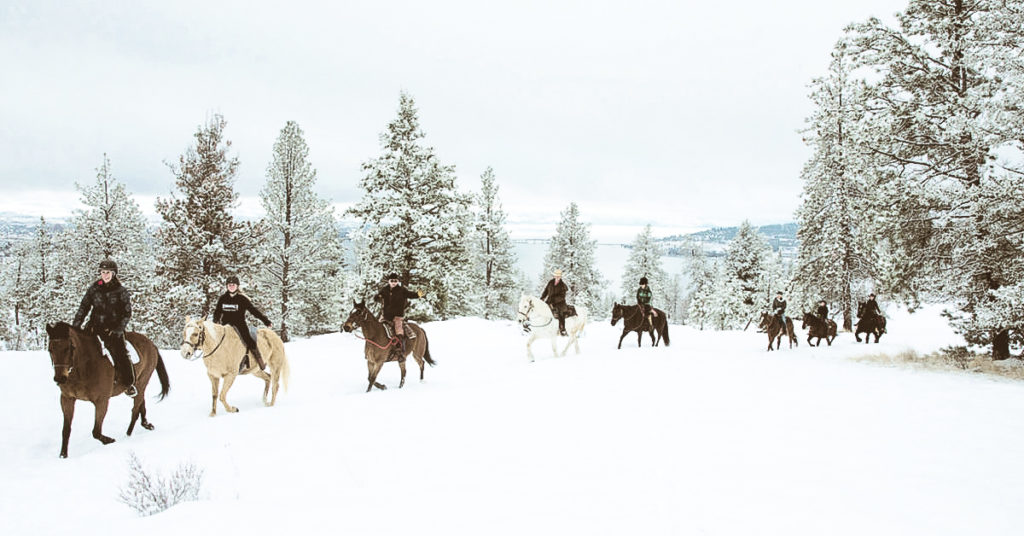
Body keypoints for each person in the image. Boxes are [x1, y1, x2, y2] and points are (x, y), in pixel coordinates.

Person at [72, 259, 136, 397]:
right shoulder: (94, 288)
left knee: (120, 352)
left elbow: (127, 313)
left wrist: (119, 330)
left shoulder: (121, 291)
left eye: (107, 272)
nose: (105, 275)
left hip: (113, 329)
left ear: (113, 274)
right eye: (102, 272)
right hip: (94, 327)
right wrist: (76, 326)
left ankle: (128, 383)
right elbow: (83, 308)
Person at [213, 275, 272, 373]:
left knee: (249, 340)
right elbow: (217, 312)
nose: (231, 286)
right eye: (229, 285)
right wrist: (216, 321)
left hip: (239, 325)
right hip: (225, 326)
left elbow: (254, 311)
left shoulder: (242, 299)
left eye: (233, 285)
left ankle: (259, 360)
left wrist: (266, 321)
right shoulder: (222, 298)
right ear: (227, 286)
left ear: (237, 286)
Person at [373, 272, 423, 359]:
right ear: (389, 281)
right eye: (392, 281)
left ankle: (400, 351)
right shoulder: (385, 290)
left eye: (395, 281)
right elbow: (377, 298)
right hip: (386, 315)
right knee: (377, 328)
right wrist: (378, 297)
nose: (393, 282)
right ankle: (374, 348)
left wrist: (417, 295)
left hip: (397, 316)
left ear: (398, 281)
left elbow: (410, 294)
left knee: (399, 330)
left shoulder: (401, 290)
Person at [540, 269, 570, 336]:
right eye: (556, 276)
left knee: (561, 313)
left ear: (560, 276)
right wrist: (542, 298)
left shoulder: (563, 285)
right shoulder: (550, 282)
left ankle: (562, 329)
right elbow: (546, 291)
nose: (557, 277)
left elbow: (562, 296)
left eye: (558, 276)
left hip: (560, 303)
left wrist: (554, 301)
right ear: (554, 276)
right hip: (549, 301)